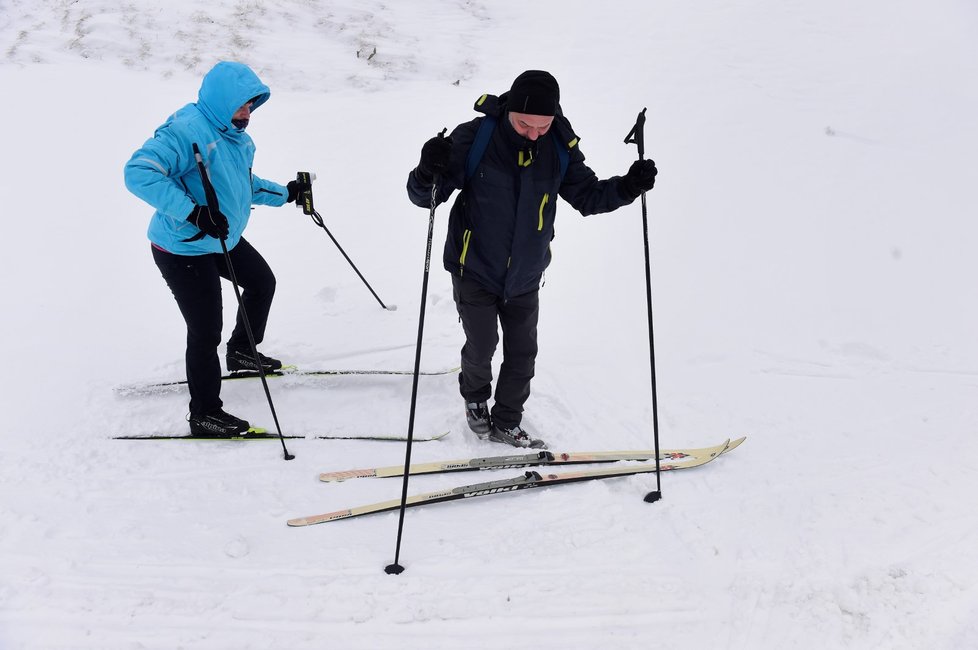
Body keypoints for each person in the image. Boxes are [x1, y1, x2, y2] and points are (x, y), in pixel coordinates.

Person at [406, 70, 658, 449]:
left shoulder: (558, 145)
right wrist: (427, 171)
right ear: (510, 112)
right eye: (525, 124)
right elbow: (425, 196)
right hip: (473, 268)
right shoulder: (477, 138)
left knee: (523, 353)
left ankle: (508, 420)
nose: (533, 134)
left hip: (525, 274)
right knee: (482, 345)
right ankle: (475, 399)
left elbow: (588, 196)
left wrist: (627, 186)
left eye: (543, 126)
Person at [124, 61, 310, 437]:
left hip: (220, 238)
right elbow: (138, 172)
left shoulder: (235, 137)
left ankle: (242, 350)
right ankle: (205, 414)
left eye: (252, 105)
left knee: (261, 283)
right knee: (205, 330)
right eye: (241, 104)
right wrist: (193, 212)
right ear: (222, 101)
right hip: (182, 247)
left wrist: (285, 194)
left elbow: (241, 184)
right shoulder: (185, 131)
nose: (247, 113)